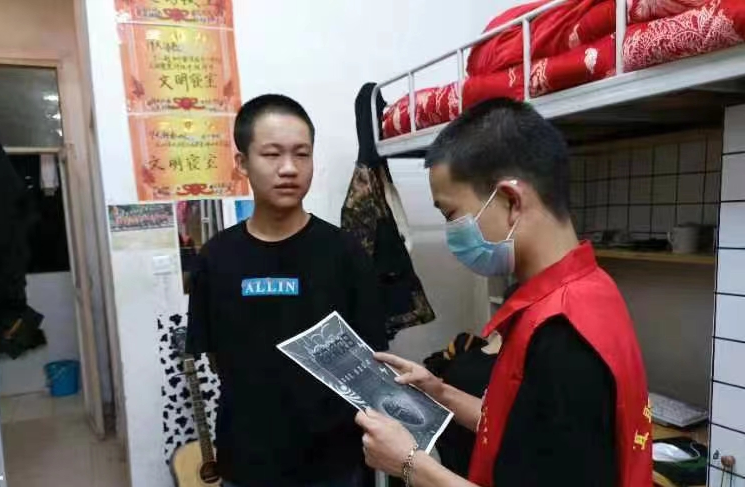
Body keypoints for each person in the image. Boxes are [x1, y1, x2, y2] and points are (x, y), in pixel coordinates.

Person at [356, 98, 652, 487]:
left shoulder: (562, 332)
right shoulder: (586, 289)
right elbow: (526, 433)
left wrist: (410, 463)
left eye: (450, 214)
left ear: (511, 201)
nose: (452, 234)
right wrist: (439, 391)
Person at [186, 94, 388, 487]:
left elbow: (371, 358)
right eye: (272, 154)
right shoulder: (215, 258)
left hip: (335, 462)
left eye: (302, 154)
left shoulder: (345, 253)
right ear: (242, 162)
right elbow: (215, 357)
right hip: (247, 459)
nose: (289, 168)